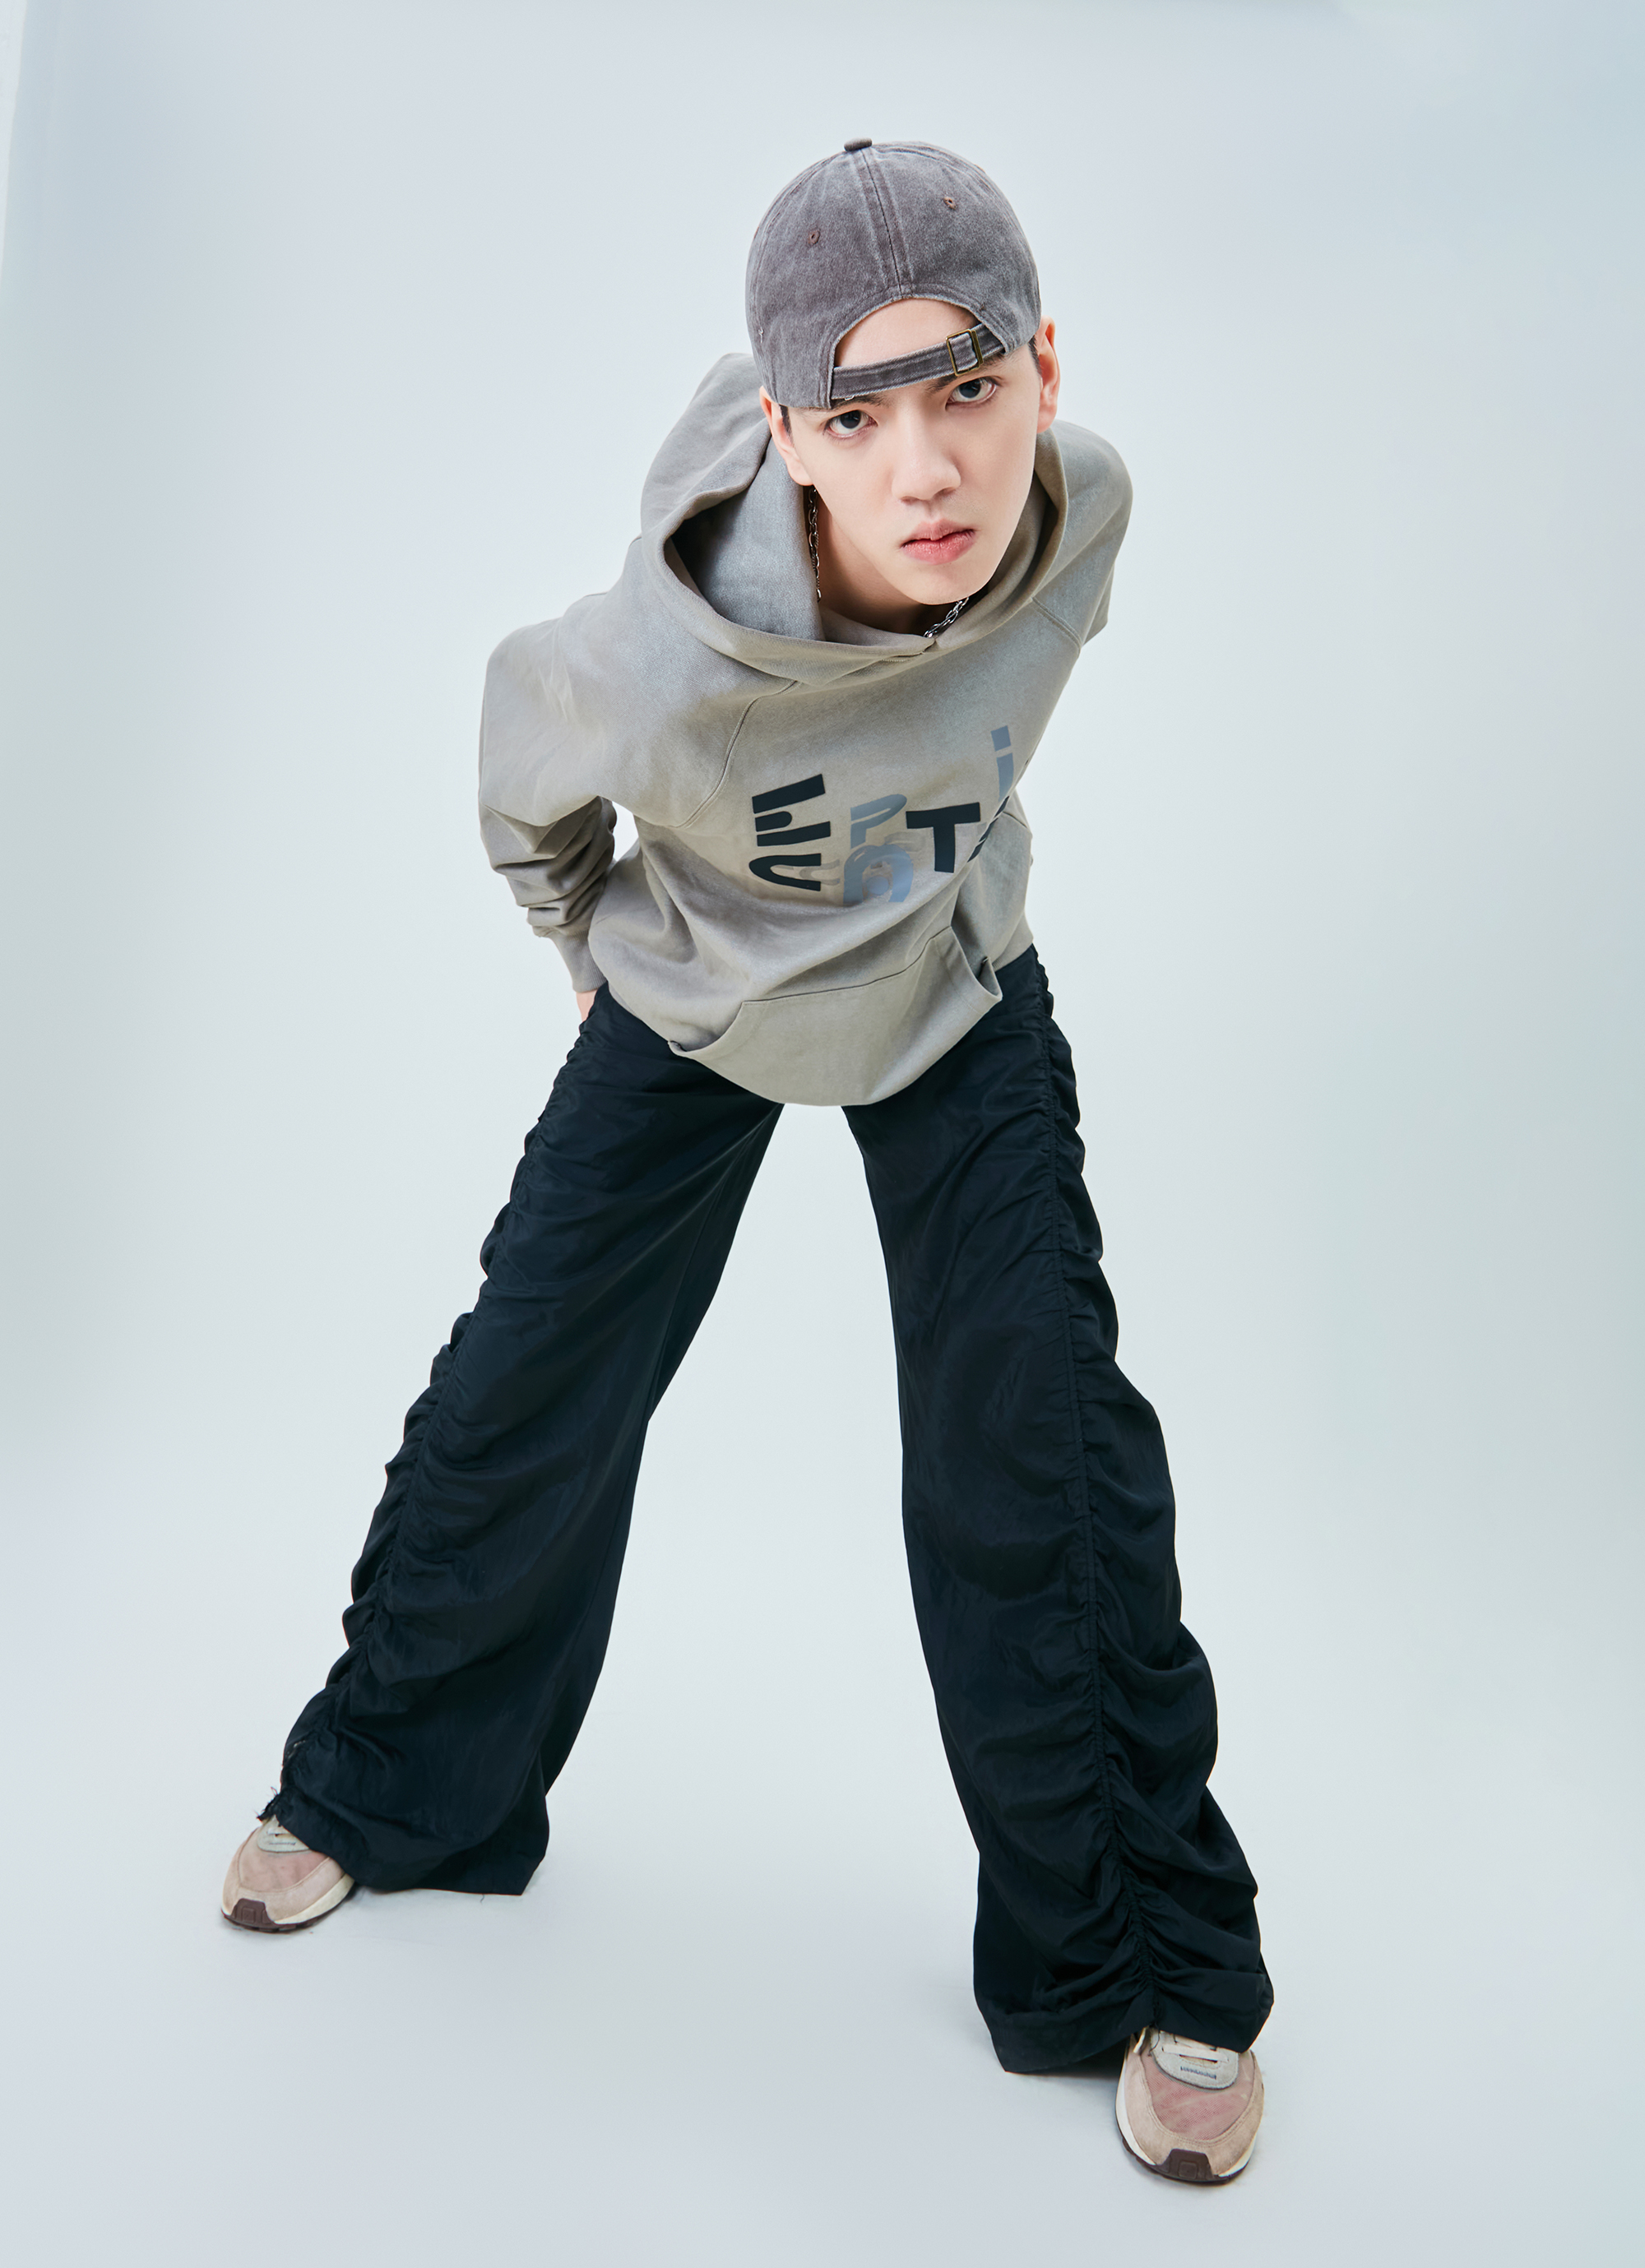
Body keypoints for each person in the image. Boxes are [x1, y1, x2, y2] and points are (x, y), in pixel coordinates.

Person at [220, 139, 1272, 2185]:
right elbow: (525, 787)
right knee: (529, 1380)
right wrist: (595, 953)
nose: (926, 469)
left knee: (1040, 1439)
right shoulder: (664, 653)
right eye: (856, 418)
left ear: (1047, 371)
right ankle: (390, 1784)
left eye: (968, 388)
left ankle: (1138, 1949)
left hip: (950, 988)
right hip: (695, 991)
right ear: (786, 432)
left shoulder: (1088, 513)